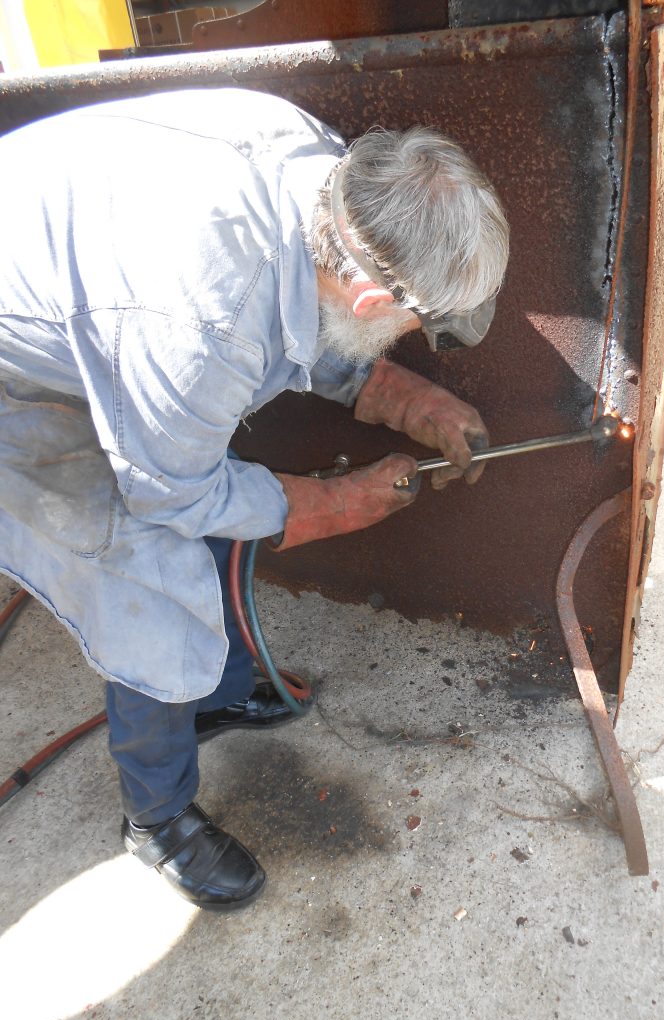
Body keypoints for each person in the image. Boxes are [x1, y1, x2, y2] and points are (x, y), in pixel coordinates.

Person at [0, 88, 509, 909]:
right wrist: (335, 502)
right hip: (13, 381)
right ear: (379, 301)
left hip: (95, 304)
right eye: (418, 324)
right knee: (149, 578)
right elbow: (174, 490)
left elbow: (301, 312)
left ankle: (220, 692)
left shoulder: (325, 171)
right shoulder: (197, 326)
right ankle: (156, 821)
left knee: (225, 483)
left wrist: (409, 398)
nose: (418, 335)